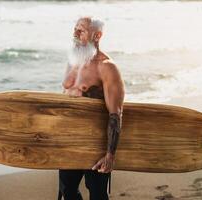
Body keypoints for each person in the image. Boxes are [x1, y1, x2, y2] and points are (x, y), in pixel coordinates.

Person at [58, 16, 125, 200]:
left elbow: (115, 114)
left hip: (95, 144)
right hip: (68, 140)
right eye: (75, 28)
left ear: (97, 35)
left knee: (97, 194)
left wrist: (110, 154)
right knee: (67, 190)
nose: (75, 33)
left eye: (82, 30)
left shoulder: (107, 68)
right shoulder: (73, 60)